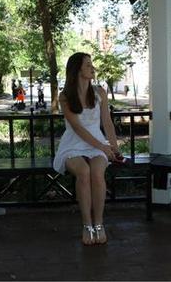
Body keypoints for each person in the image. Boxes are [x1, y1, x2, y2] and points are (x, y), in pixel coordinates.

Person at [53, 52, 120, 246]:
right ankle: (86, 225)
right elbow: (77, 128)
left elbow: (107, 123)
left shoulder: (99, 92)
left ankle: (99, 224)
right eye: (88, 65)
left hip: (97, 142)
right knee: (84, 171)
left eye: (92, 64)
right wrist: (102, 146)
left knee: (97, 172)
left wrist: (114, 149)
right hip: (73, 143)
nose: (93, 68)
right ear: (77, 70)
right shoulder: (65, 97)